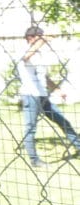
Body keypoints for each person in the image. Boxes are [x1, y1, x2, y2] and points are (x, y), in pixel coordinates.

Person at [16, 24, 80, 166]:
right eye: (39, 38)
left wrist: (57, 90)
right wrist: (43, 39)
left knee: (63, 122)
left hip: (43, 97)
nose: (43, 42)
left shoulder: (39, 55)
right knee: (31, 129)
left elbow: (44, 77)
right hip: (30, 95)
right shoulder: (24, 50)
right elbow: (26, 57)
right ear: (30, 38)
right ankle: (34, 160)